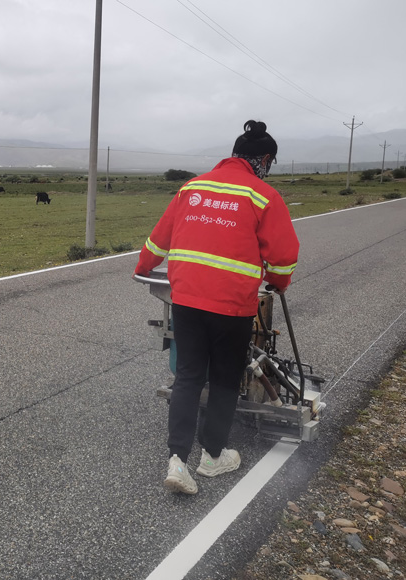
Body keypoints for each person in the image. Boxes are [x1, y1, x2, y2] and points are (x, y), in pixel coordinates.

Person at [134, 120, 299, 494]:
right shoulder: (263, 196)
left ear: (234, 154)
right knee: (224, 379)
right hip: (232, 306)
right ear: (265, 160)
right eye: (269, 163)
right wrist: (279, 281)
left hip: (187, 300)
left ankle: (177, 462)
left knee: (189, 376)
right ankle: (212, 456)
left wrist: (143, 266)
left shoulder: (193, 188)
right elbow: (284, 256)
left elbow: (159, 238)